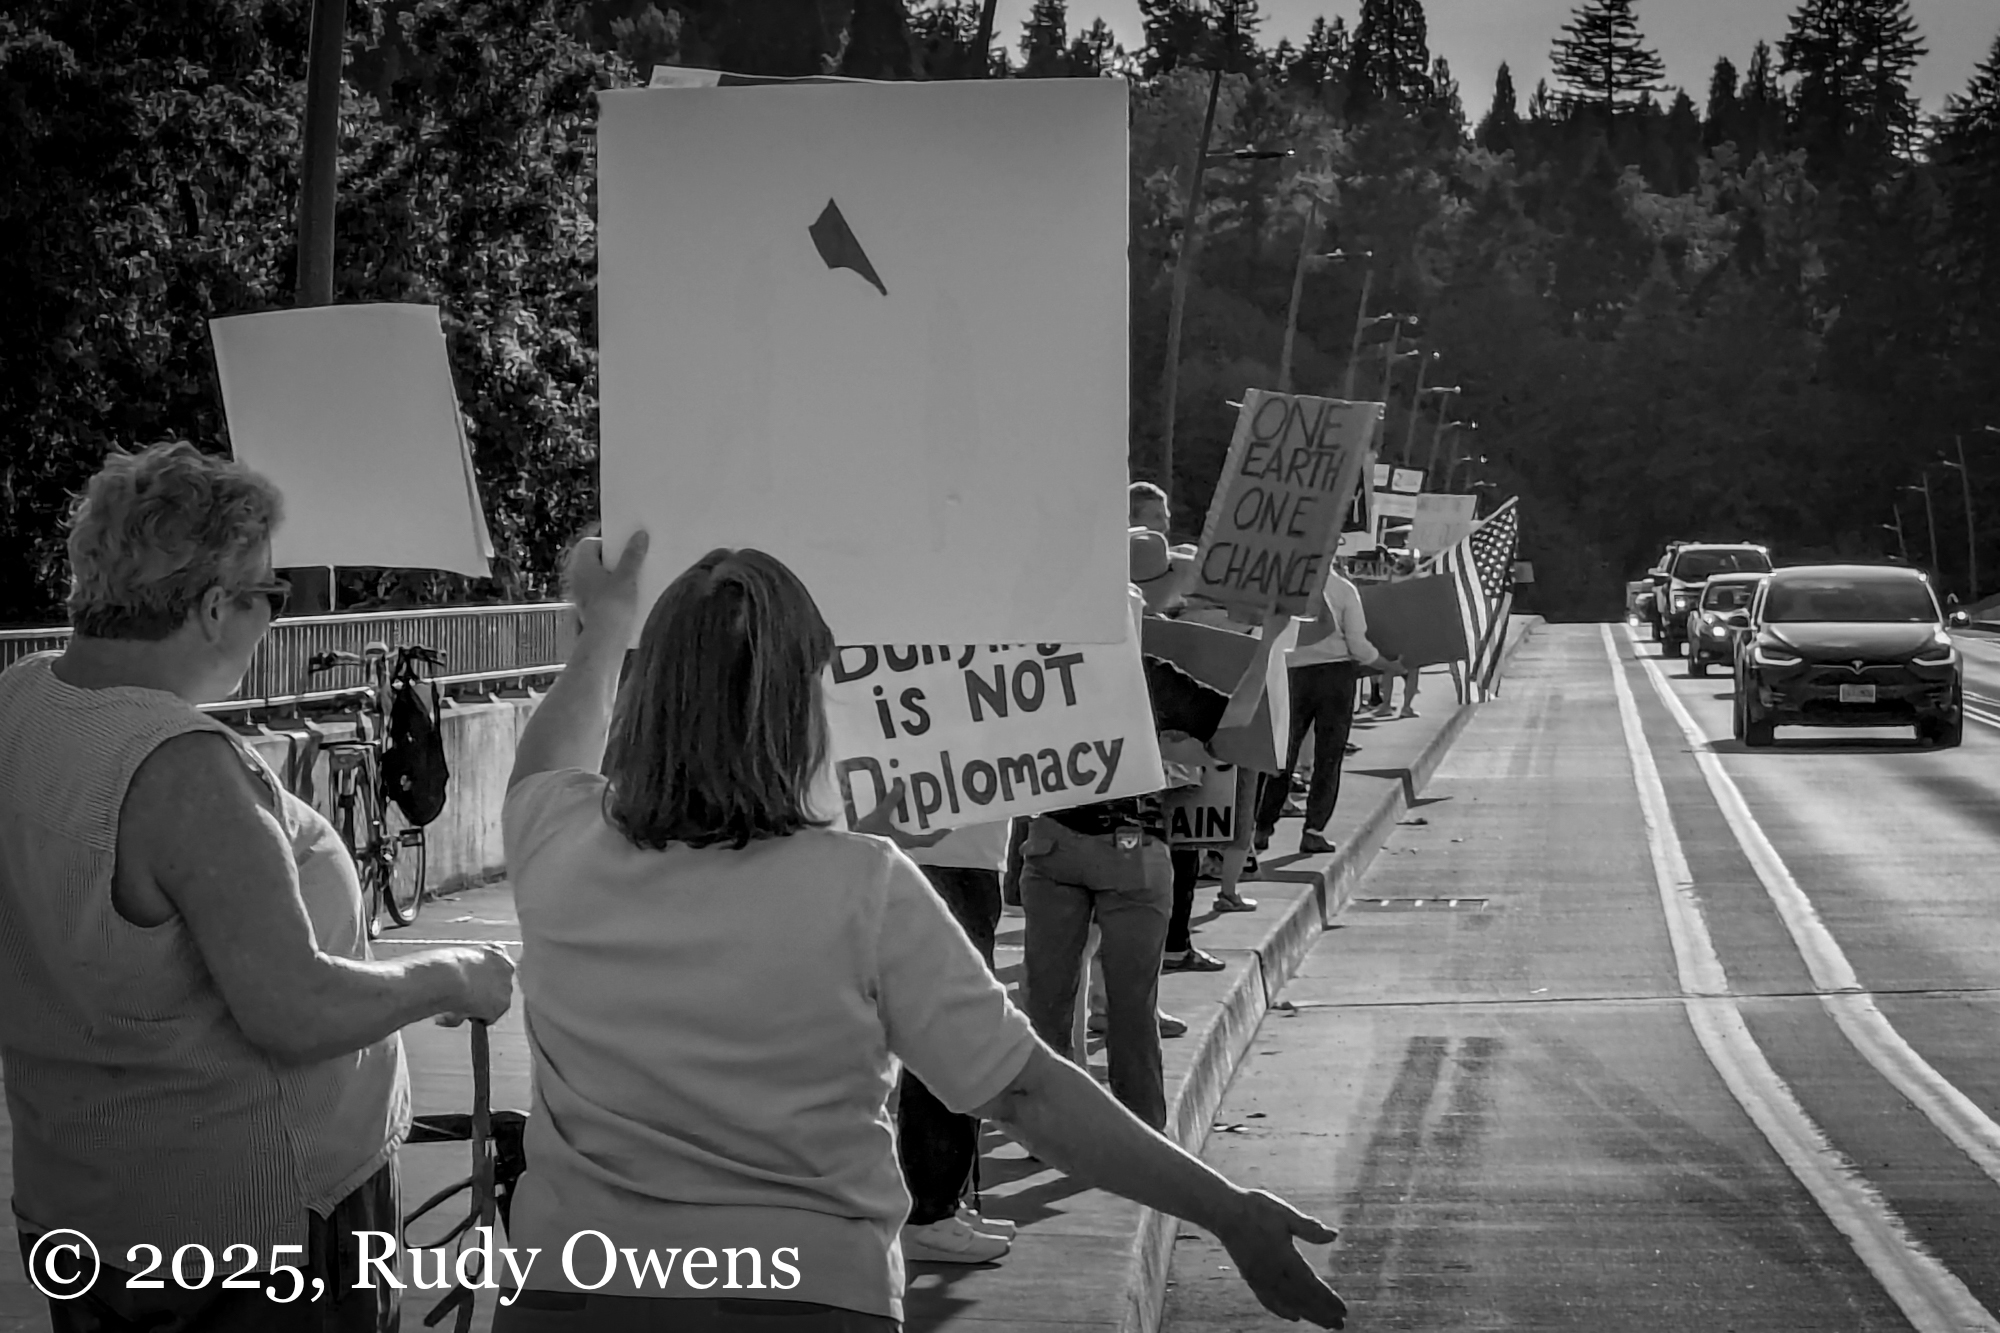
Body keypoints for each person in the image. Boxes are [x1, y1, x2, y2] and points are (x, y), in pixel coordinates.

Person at [494, 533, 1348, 1330]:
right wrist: (1228, 1210)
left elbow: (553, 746)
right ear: (804, 703)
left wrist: (603, 625)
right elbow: (1027, 1093)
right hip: (810, 1298)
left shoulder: (554, 836)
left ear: (646, 691)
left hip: (569, 1289)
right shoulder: (862, 886)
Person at [0, 442, 517, 1333]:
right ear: (210, 607)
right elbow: (296, 1008)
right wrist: (453, 977)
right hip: (252, 1245)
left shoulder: (19, 700)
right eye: (269, 596)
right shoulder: (182, 769)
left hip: (83, 1210)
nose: (274, 618)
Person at [897, 821, 1017, 1264]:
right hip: (947, 851)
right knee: (951, 1030)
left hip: (965, 851)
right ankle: (931, 1212)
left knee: (957, 1027)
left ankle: (946, 1201)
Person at [1254, 555, 1402, 856]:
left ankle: (1261, 828)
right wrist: (1385, 664)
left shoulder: (1284, 586)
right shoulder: (1344, 590)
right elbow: (1357, 644)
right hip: (1335, 675)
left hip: (1292, 673)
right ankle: (1314, 829)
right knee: (1328, 757)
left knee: (1282, 754)